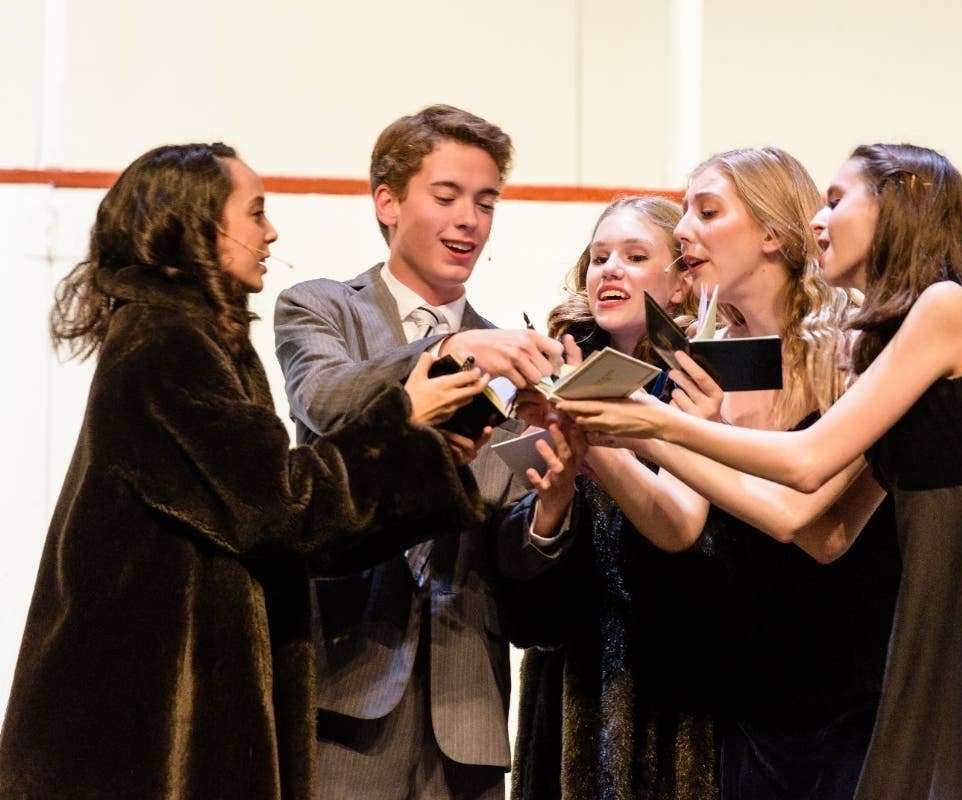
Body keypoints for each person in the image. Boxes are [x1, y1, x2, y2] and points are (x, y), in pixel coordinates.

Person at [559, 144, 962, 799]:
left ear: (896, 206)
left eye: (834, 200)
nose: (817, 220)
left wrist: (658, 426)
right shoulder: (888, 339)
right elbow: (814, 529)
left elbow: (805, 463)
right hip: (924, 606)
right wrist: (622, 433)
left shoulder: (942, 305)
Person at [0, 142, 491, 800]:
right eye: (256, 212)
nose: (271, 232)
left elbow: (292, 540)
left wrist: (429, 457)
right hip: (145, 726)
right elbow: (280, 506)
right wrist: (403, 419)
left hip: (180, 705)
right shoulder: (164, 341)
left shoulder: (200, 339)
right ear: (198, 224)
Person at [273, 104, 574, 800]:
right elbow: (325, 401)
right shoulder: (320, 308)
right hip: (340, 683)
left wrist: (552, 496)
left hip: (467, 708)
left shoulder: (509, 352)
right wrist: (446, 350)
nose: (468, 219)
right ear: (387, 201)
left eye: (485, 202)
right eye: (446, 197)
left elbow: (505, 532)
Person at [506, 196, 719, 800]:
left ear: (680, 284)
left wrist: (587, 430)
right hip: (570, 685)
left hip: (670, 688)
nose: (610, 270)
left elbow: (691, 544)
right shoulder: (550, 374)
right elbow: (526, 582)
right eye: (599, 257)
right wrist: (549, 502)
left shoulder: (696, 386)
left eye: (633, 255)